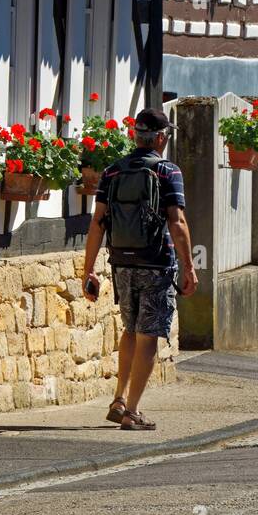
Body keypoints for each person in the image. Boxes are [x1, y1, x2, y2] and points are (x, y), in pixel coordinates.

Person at [82, 105, 197, 431]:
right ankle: (132, 411)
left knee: (130, 331)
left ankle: (119, 400)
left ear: (137, 136)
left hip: (122, 263)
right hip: (155, 265)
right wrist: (189, 267)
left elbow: (97, 223)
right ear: (161, 138)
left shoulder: (112, 172)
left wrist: (88, 270)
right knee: (148, 337)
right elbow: (177, 223)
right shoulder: (167, 172)